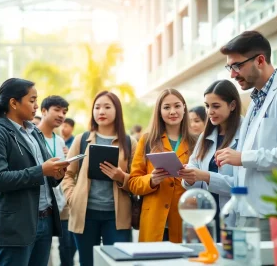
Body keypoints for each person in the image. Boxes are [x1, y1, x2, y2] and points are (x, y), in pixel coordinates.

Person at [0, 78, 70, 266]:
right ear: (13, 103)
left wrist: (57, 173)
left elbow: (45, 175)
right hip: (16, 223)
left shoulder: (33, 131)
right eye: (32, 100)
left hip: (44, 219)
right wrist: (41, 170)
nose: (37, 106)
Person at [215, 30, 277, 241]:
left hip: (270, 213)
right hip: (247, 212)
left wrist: (242, 157)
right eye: (229, 67)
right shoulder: (254, 101)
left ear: (260, 60)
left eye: (237, 66)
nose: (232, 74)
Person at [62, 90, 137, 266]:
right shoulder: (82, 139)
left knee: (118, 262)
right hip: (85, 214)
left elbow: (137, 179)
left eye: (107, 107)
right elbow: (67, 173)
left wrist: (121, 176)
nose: (101, 112)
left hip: (117, 216)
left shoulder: (129, 142)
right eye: (97, 107)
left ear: (117, 110)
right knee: (87, 262)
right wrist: (72, 197)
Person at [128, 88, 196, 242]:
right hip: (153, 220)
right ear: (159, 111)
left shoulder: (196, 142)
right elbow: (133, 183)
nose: (172, 111)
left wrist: (192, 178)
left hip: (184, 219)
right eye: (166, 107)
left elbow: (203, 183)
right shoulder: (147, 140)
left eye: (177, 106)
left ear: (184, 108)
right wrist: (151, 180)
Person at [179, 80, 242, 241]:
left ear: (232, 105)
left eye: (216, 106)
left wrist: (205, 176)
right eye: (207, 106)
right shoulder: (205, 137)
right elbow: (194, 166)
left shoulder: (245, 134)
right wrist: (189, 176)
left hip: (233, 216)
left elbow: (242, 185)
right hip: (206, 215)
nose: (210, 112)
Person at [38, 96, 77, 266]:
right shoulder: (31, 136)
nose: (61, 115)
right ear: (44, 110)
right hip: (40, 203)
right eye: (57, 110)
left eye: (64, 112)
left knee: (68, 246)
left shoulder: (59, 141)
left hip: (60, 201)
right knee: (42, 253)